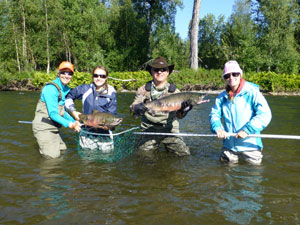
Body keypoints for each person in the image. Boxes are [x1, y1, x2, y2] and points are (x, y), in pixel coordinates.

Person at [209, 60, 272, 165]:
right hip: (229, 147)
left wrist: (248, 130)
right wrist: (217, 127)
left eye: (235, 74)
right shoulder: (222, 97)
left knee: (251, 177)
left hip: (250, 146)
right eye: (227, 76)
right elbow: (214, 115)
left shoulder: (252, 92)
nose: (231, 77)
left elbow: (265, 114)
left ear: (240, 74)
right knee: (226, 177)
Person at [130, 57, 193, 156]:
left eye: (163, 69)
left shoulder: (175, 92)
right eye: (156, 69)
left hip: (170, 129)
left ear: (168, 72)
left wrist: (184, 110)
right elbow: (134, 106)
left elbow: (179, 116)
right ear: (151, 71)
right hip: (149, 129)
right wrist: (136, 108)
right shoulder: (143, 89)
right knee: (142, 155)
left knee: (184, 154)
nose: (160, 72)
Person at [32, 61, 81, 159]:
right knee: (52, 159)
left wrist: (74, 121)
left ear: (72, 75)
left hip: (53, 127)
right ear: (59, 73)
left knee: (63, 150)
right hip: (43, 128)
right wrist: (70, 125)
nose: (66, 76)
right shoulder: (51, 88)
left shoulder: (65, 89)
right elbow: (53, 114)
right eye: (63, 72)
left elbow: (61, 111)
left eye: (69, 73)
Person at [65, 66, 117, 152]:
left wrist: (110, 126)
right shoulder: (84, 89)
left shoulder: (111, 92)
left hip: (104, 134)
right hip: (87, 132)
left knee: (106, 162)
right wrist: (73, 111)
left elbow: (112, 114)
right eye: (96, 75)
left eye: (102, 76)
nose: (99, 78)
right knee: (87, 160)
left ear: (106, 77)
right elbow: (68, 97)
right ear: (92, 76)